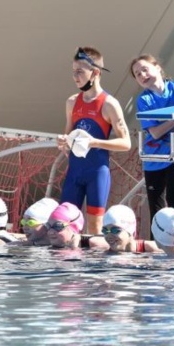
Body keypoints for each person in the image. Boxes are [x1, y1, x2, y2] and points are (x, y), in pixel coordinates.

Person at [57, 47, 131, 236]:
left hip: (96, 172)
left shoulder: (109, 104)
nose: (75, 77)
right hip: (74, 171)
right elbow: (67, 136)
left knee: (95, 228)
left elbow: (126, 143)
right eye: (73, 72)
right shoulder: (72, 102)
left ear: (96, 72)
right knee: (62, 224)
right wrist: (63, 142)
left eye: (80, 71)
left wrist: (93, 142)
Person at [132, 54, 174, 224]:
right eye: (137, 74)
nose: (142, 75)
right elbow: (156, 132)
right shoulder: (144, 100)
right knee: (156, 209)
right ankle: (156, 247)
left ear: (157, 67)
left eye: (144, 69)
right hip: (154, 158)